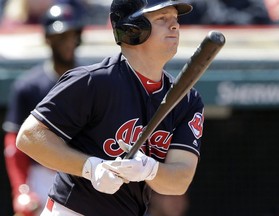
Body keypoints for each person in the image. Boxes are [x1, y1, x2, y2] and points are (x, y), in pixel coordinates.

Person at [16, 0, 204, 215]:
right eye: (162, 18)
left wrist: (150, 170)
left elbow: (179, 181)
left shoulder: (187, 100)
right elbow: (29, 137)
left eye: (175, 19)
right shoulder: (93, 81)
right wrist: (91, 167)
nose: (175, 25)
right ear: (133, 29)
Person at [2, 2, 86, 215]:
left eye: (71, 34)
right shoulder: (29, 85)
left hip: (84, 172)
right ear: (48, 38)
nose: (68, 42)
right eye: (61, 36)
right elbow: (14, 142)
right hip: (42, 174)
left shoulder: (93, 81)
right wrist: (21, 189)